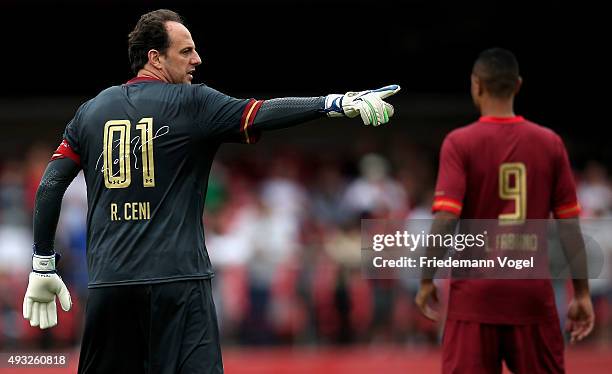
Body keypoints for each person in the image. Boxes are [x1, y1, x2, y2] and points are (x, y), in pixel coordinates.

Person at [21, 9, 400, 374]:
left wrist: (42, 262)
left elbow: (51, 185)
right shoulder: (193, 103)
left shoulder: (91, 111)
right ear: (155, 57)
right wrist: (334, 103)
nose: (197, 60)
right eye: (186, 51)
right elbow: (261, 112)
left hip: (111, 285)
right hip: (179, 284)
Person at [415, 48, 594, 373]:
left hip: (474, 297)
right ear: (518, 85)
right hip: (531, 295)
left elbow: (446, 219)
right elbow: (569, 226)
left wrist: (426, 279)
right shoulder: (550, 143)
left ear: (476, 85)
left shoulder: (459, 143)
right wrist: (581, 294)